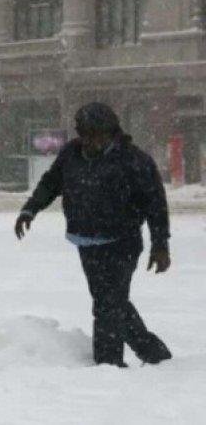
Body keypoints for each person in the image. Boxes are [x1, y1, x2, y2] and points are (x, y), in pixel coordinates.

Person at [14, 102, 173, 367]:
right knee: (110, 301)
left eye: (95, 134)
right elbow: (52, 182)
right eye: (84, 134)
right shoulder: (72, 153)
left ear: (111, 132)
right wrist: (30, 209)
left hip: (122, 243)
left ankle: (108, 365)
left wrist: (160, 244)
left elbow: (155, 204)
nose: (89, 141)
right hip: (86, 242)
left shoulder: (134, 160)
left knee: (107, 304)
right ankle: (153, 352)